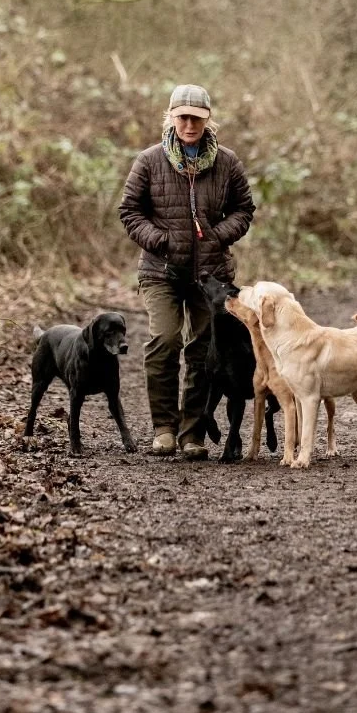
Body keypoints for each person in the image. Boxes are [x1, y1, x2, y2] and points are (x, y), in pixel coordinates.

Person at [119, 84, 255, 458]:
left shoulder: (227, 162)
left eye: (197, 117)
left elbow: (244, 210)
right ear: (171, 118)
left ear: (208, 119)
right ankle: (164, 427)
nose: (190, 123)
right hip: (160, 270)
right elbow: (129, 212)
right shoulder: (149, 161)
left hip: (211, 278)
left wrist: (216, 235)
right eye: (183, 117)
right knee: (164, 340)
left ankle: (192, 433)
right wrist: (159, 238)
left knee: (203, 352)